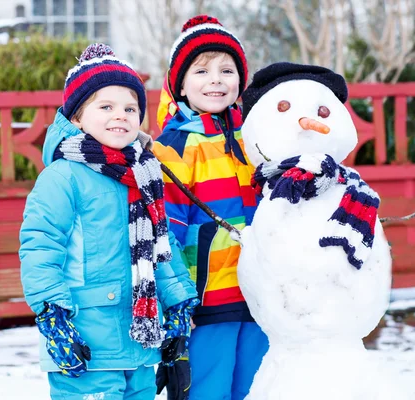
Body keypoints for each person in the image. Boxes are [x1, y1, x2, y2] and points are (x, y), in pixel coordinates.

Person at [19, 43, 198, 400]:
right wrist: (52, 315)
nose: (121, 115)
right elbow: (40, 246)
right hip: (86, 342)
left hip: (140, 341)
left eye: (130, 108)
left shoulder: (143, 174)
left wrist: (177, 304)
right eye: (106, 106)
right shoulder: (63, 177)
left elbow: (162, 248)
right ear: (76, 118)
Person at [153, 15, 269, 400]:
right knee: (207, 388)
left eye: (226, 69)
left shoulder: (257, 137)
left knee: (255, 387)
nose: (215, 79)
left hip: (259, 293)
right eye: (201, 71)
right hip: (205, 298)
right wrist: (177, 296)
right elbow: (165, 226)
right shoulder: (174, 145)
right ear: (180, 85)